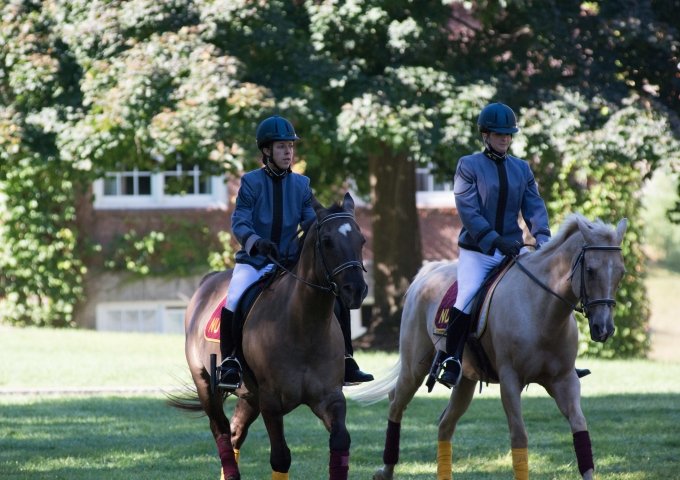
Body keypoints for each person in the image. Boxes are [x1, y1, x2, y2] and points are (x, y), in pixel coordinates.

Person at [218, 115, 373, 391]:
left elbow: (309, 219)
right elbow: (239, 221)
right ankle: (231, 362)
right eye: (281, 147)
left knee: (333, 295)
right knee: (234, 296)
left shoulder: (302, 184)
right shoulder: (251, 183)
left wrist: (329, 228)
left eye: (290, 146)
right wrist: (255, 241)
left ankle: (348, 359)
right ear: (266, 151)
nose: (288, 152)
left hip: (290, 261)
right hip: (256, 261)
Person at [436, 102, 553, 388]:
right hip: (478, 251)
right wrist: (494, 239)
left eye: (509, 134)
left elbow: (534, 206)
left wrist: (544, 239)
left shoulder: (522, 169)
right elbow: (469, 211)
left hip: (513, 250)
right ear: (485, 135)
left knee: (546, 290)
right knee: (466, 297)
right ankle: (451, 359)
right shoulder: (468, 165)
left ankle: (559, 359)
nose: (505, 138)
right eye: (499, 134)